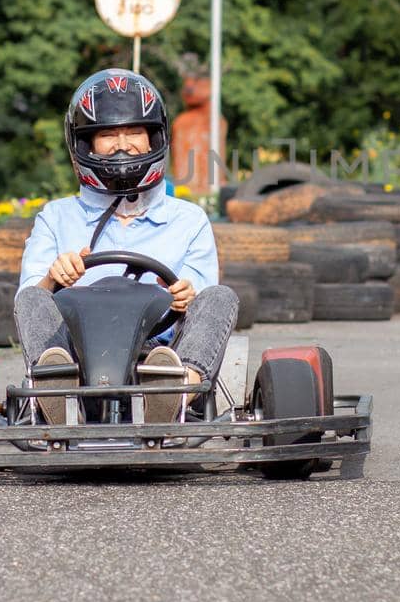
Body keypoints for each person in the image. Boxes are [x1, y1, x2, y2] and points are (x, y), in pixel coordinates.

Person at [14, 70, 238, 426]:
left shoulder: (187, 219)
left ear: (153, 139)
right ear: (86, 144)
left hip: (160, 356)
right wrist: (54, 279)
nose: (123, 144)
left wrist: (183, 295)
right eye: (108, 134)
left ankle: (175, 394)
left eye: (134, 132)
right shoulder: (57, 217)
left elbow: (198, 294)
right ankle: (56, 390)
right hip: (78, 358)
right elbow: (30, 298)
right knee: (31, 298)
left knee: (219, 297)